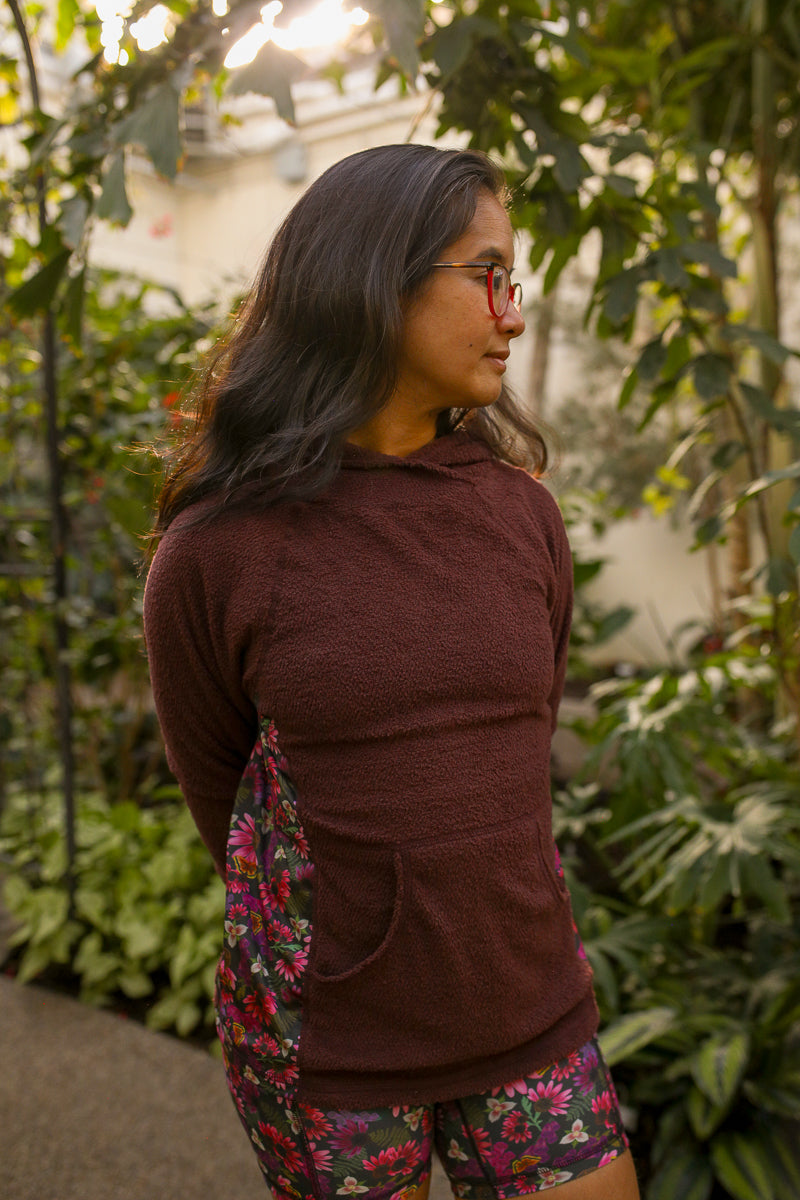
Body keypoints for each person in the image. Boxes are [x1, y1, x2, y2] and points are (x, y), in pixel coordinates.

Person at [143, 144, 640, 1200]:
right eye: (486, 274)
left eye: (513, 280)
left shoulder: (522, 516)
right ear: (372, 276)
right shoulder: (219, 549)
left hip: (526, 1004)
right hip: (329, 1040)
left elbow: (519, 744)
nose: (512, 315)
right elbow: (223, 794)